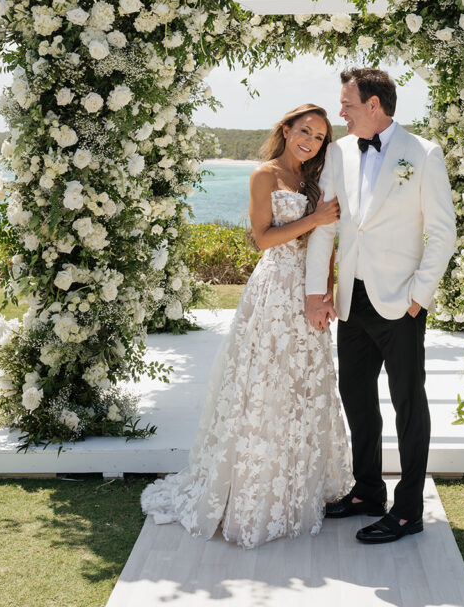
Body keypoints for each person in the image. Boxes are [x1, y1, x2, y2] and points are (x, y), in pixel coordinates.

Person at [141, 104, 352, 549]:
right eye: (304, 131)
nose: (310, 141)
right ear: (286, 129)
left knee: (302, 384)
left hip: (309, 291)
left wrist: (326, 289)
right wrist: (314, 218)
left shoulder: (314, 180)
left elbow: (326, 243)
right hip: (275, 289)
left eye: (318, 136)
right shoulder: (265, 175)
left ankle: (298, 484)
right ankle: (254, 490)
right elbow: (262, 238)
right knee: (264, 383)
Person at [305, 68, 456, 544]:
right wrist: (317, 289)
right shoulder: (339, 151)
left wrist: (419, 297)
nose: (341, 112)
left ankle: (409, 511)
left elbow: (443, 233)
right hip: (352, 298)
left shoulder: (424, 154)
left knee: (409, 405)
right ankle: (368, 491)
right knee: (357, 398)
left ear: (374, 105)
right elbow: (327, 225)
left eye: (347, 103)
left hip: (401, 303)